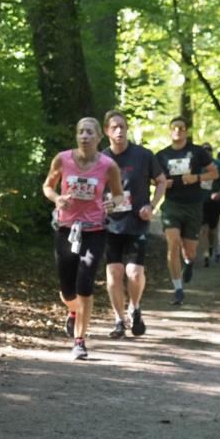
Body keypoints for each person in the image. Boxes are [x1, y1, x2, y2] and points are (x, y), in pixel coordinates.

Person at [43, 117, 123, 359]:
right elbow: (47, 186)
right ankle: (73, 311)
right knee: (67, 290)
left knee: (85, 283)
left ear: (99, 137)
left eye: (89, 132)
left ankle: (80, 341)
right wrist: (57, 198)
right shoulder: (63, 159)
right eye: (81, 132)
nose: (85, 136)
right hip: (66, 228)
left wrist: (113, 203)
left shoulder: (108, 165)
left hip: (95, 229)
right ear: (76, 136)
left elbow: (119, 196)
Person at [101, 110, 167, 339]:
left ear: (127, 129)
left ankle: (135, 307)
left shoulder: (143, 155)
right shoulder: (100, 160)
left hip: (136, 222)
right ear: (106, 131)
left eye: (122, 126)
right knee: (114, 273)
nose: (119, 130)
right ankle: (119, 319)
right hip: (110, 225)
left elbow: (161, 181)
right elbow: (92, 191)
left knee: (134, 273)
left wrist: (152, 205)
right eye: (114, 127)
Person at [155, 117, 218, 306]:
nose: (178, 131)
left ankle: (189, 264)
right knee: (172, 243)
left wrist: (196, 178)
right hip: (172, 205)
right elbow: (153, 178)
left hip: (193, 206)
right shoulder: (162, 155)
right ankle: (178, 289)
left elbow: (214, 173)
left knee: (190, 252)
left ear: (186, 131)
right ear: (169, 131)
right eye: (174, 128)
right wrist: (163, 182)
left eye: (181, 128)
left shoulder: (197, 152)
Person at [198, 143, 220, 267]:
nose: (207, 151)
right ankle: (206, 255)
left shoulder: (219, 165)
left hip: (214, 203)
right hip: (200, 203)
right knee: (203, 230)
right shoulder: (195, 165)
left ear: (212, 151)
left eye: (209, 149)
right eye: (204, 149)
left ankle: (211, 247)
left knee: (212, 230)